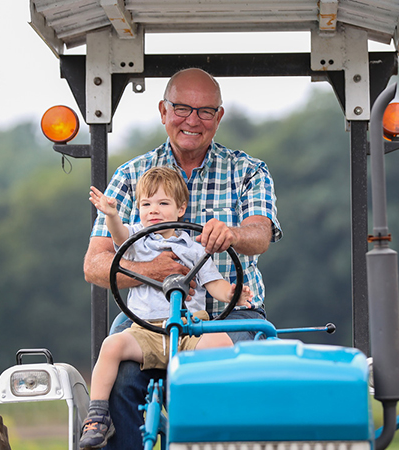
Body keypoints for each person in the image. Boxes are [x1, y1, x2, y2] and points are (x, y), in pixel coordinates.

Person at [83, 67, 282, 449]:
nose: (192, 120)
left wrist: (233, 234)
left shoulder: (248, 171)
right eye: (181, 108)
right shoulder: (131, 176)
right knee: (123, 380)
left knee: (223, 370)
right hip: (150, 316)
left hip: (228, 313)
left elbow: (260, 235)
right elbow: (95, 264)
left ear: (219, 117)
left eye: (206, 111)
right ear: (163, 111)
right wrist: (148, 272)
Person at [80, 167, 252, 449]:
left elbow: (214, 284)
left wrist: (232, 292)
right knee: (111, 345)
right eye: (146, 204)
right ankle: (97, 415)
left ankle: (220, 416)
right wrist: (111, 215)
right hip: (146, 331)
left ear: (180, 208)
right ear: (138, 208)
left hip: (187, 330)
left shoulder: (195, 248)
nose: (153, 211)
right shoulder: (136, 241)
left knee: (223, 342)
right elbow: (120, 235)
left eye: (162, 203)